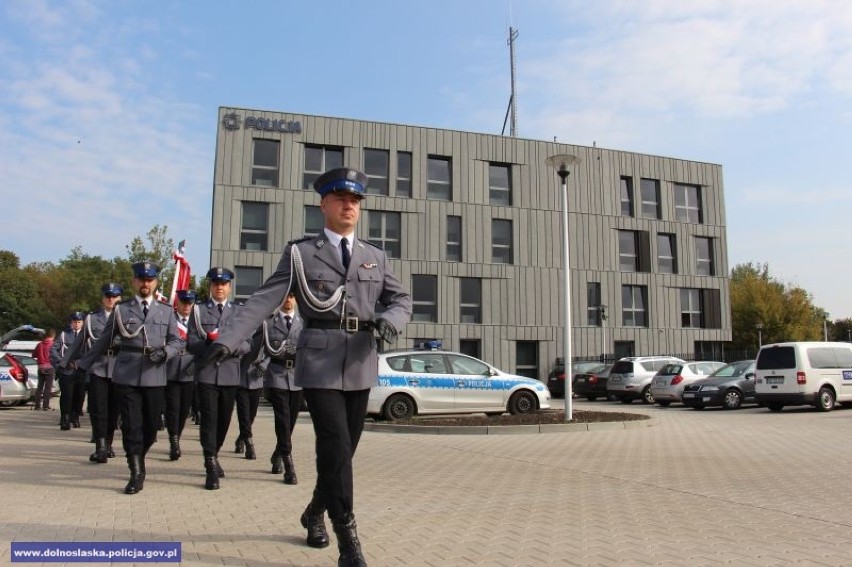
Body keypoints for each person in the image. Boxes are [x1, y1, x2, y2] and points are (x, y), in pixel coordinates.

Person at [202, 167, 412, 567]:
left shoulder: (375, 256)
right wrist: (228, 340)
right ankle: (348, 540)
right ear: (324, 205)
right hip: (319, 359)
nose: (349, 205)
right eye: (340, 199)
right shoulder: (301, 252)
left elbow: (402, 300)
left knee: (343, 452)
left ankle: (314, 510)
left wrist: (392, 321)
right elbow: (263, 299)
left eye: (355, 200)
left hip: (361, 360)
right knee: (333, 443)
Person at [78, 262, 183, 495]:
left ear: (155, 283)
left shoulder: (166, 311)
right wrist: (82, 364)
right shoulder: (121, 310)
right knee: (131, 426)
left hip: (155, 375)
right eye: (141, 279)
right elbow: (103, 340)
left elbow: (177, 341)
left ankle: (139, 454)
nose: (145, 284)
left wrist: (166, 352)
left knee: (151, 427)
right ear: (134, 282)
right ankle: (136, 470)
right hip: (126, 374)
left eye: (150, 280)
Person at [186, 267, 250, 490]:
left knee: (223, 421)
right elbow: (191, 343)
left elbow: (247, 343)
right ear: (210, 286)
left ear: (229, 287)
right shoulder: (198, 311)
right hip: (207, 373)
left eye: (223, 284)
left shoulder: (239, 312)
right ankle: (210, 463)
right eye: (215, 284)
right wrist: (208, 343)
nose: (219, 288)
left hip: (230, 374)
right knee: (209, 420)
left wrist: (228, 348)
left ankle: (215, 452)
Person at [63, 283, 124, 463]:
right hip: (98, 367)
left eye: (114, 297)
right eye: (107, 296)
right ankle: (100, 446)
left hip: (119, 368)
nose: (110, 300)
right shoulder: (91, 318)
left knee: (114, 410)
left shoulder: (127, 316)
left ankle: (109, 443)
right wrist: (64, 362)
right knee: (98, 409)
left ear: (120, 298)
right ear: (102, 298)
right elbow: (78, 343)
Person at [250, 292, 303, 484]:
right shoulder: (268, 323)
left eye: (291, 297)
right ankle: (288, 464)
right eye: (285, 297)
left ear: (296, 299)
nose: (288, 300)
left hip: (297, 378)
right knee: (283, 419)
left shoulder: (303, 322)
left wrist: (297, 353)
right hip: (277, 375)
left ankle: (278, 453)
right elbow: (258, 350)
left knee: (291, 422)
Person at [164, 289, 197, 461]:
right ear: (177, 303)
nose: (187, 306)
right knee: (172, 408)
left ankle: (178, 433)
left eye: (190, 303)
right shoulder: (170, 320)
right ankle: (173, 440)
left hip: (189, 371)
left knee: (184, 410)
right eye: (184, 302)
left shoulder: (196, 322)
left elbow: (203, 345)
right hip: (171, 369)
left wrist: (196, 365)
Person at [51, 312, 85, 430]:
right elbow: (54, 350)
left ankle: (75, 417)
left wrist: (77, 363)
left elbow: (90, 352)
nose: (76, 324)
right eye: (74, 322)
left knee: (79, 396)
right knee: (66, 395)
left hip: (80, 370)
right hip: (66, 371)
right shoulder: (64, 335)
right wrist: (62, 362)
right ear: (71, 323)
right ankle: (64, 418)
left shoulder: (87, 335)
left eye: (79, 322)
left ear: (82, 323)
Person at [31, 329, 56, 411]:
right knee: (48, 388)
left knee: (40, 387)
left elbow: (33, 355)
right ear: (53, 336)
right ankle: (45, 405)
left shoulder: (40, 344)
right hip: (49, 367)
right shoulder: (53, 344)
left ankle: (37, 405)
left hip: (40, 367)